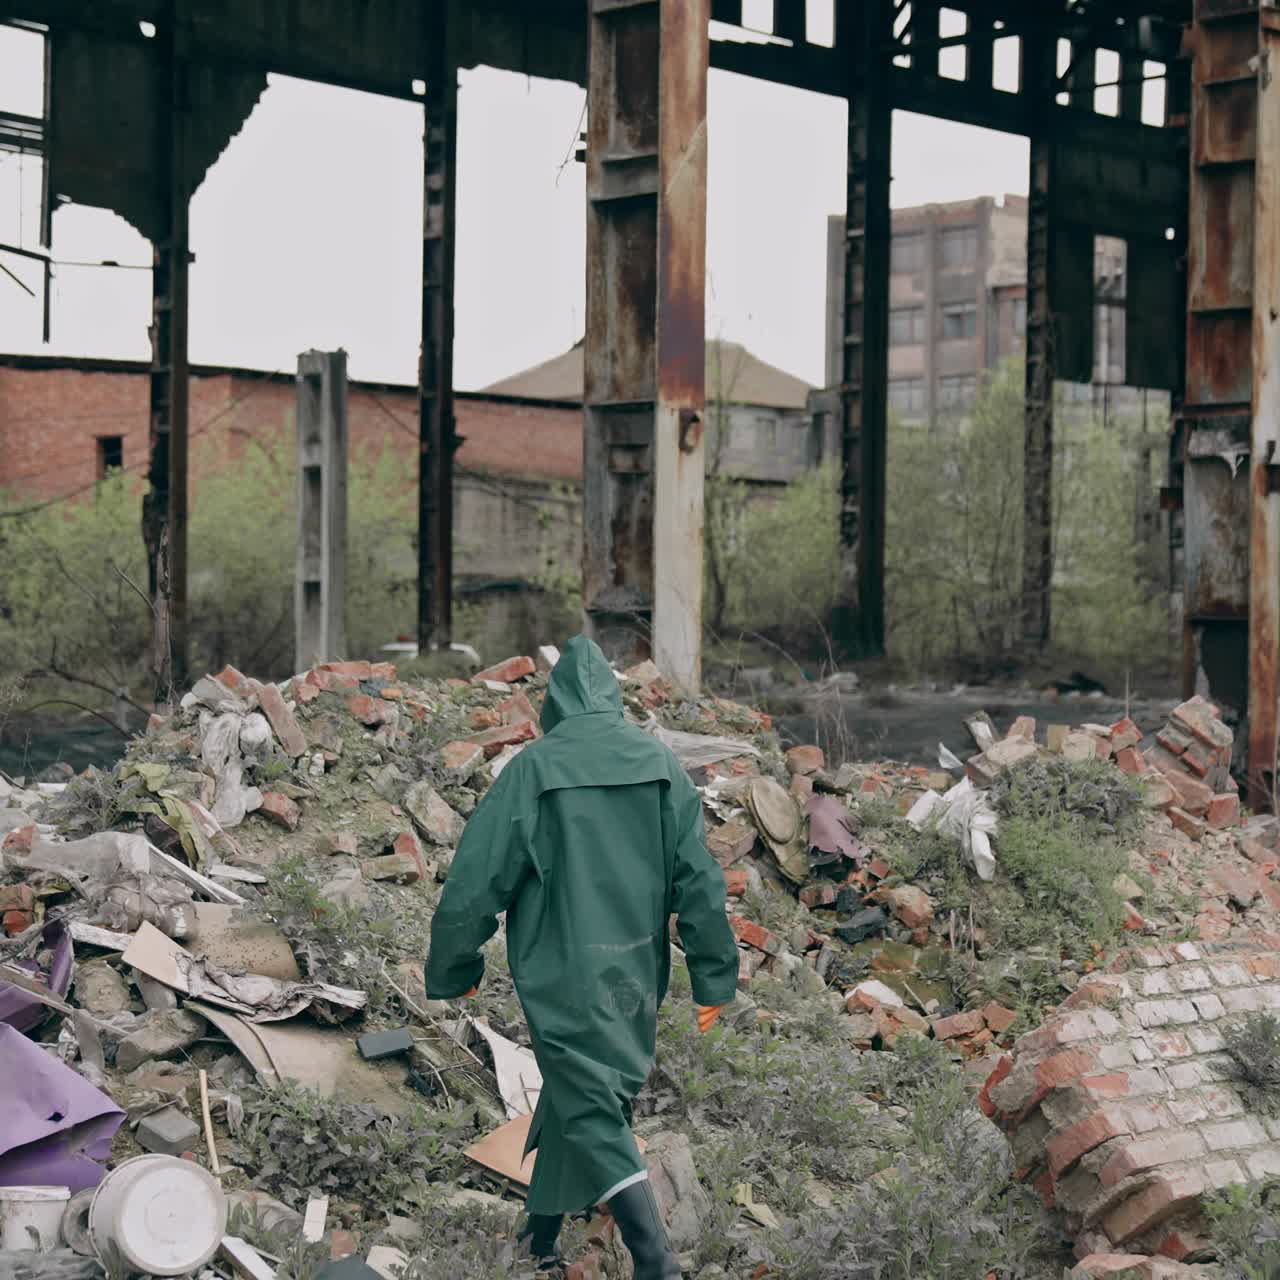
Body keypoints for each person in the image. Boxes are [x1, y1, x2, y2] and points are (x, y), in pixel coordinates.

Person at [425, 635, 739, 1279]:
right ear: (613, 699)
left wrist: (455, 967)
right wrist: (712, 974)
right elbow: (701, 882)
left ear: (557, 701)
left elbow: (474, 883)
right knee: (587, 1091)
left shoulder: (535, 771)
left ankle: (655, 1259)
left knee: (591, 1101)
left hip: (562, 971)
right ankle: (539, 1238)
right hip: (636, 969)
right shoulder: (660, 766)